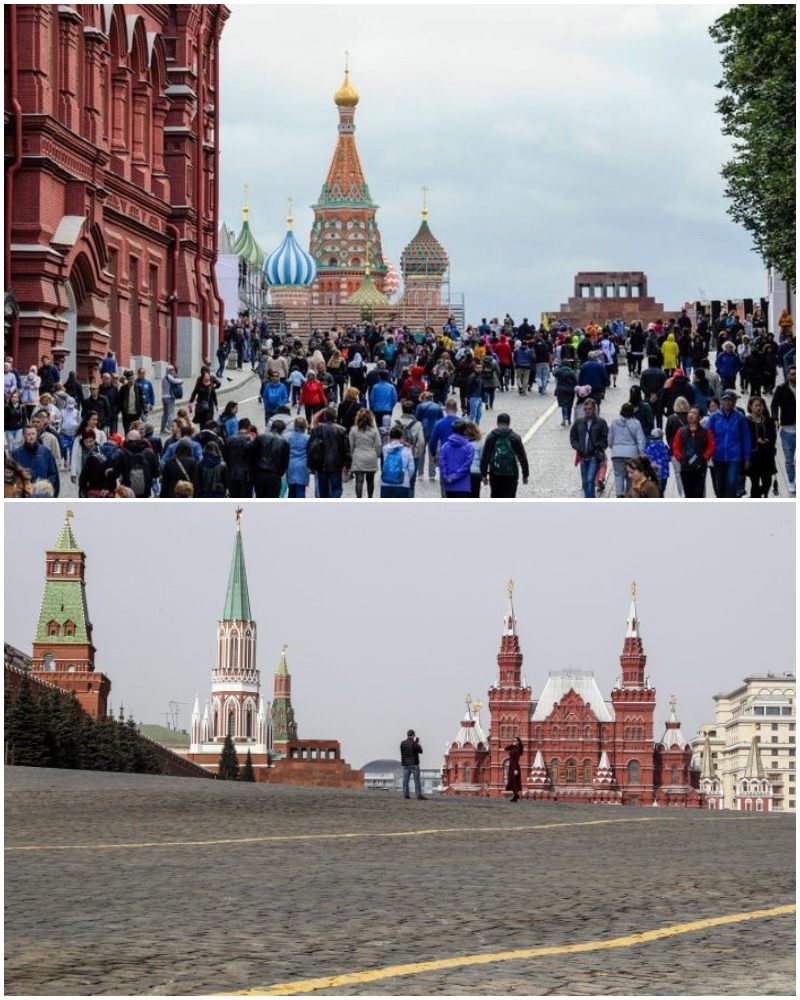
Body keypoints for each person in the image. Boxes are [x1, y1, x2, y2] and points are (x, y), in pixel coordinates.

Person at [707, 389, 752, 498]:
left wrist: (747, 457)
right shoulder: (714, 417)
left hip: (734, 456)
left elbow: (746, 438)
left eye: (730, 400)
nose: (727, 402)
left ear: (734, 402)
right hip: (718, 456)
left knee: (731, 482)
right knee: (720, 484)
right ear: (721, 402)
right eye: (725, 400)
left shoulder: (739, 417)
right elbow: (708, 436)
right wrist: (708, 454)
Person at [480, 412, 529, 497]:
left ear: (497, 422)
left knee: (495, 495)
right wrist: (525, 474)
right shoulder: (515, 437)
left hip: (495, 472)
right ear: (509, 423)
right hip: (511, 473)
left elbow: (485, 457)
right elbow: (522, 457)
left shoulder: (491, 437)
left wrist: (483, 475)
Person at [570, 398, 609, 498]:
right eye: (586, 409)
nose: (588, 411)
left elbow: (606, 438)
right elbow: (573, 437)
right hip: (583, 456)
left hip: (594, 456)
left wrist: (599, 446)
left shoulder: (601, 422)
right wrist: (578, 447)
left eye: (590, 409)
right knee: (585, 482)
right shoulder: (579, 422)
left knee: (590, 479)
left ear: (594, 409)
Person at [308, 407, 350, 498]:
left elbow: (310, 447)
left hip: (321, 463)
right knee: (337, 488)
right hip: (336, 464)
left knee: (323, 489)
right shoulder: (341, 430)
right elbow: (346, 449)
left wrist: (311, 464)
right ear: (335, 417)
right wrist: (347, 463)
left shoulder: (317, 429)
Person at [608, 402, 647, 498]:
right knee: (631, 476)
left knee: (618, 475)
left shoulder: (614, 422)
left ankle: (619, 494)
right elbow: (640, 440)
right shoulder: (636, 423)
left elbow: (610, 438)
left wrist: (613, 447)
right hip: (632, 453)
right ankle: (629, 495)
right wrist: (641, 452)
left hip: (617, 453)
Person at [11, 424, 59, 495]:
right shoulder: (16, 454)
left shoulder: (45, 452)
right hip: (24, 493)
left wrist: (46, 486)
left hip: (42, 492)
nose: (31, 437)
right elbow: (13, 475)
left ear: (36, 434)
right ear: (24, 436)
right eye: (28, 434)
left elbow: (53, 473)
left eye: (33, 434)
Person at [771, 364, 796, 494]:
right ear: (788, 375)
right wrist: (775, 418)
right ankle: (791, 481)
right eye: (792, 374)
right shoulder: (781, 389)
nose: (795, 376)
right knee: (789, 458)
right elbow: (774, 405)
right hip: (787, 429)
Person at [745, 396, 777, 498]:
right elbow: (744, 438)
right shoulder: (746, 421)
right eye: (756, 405)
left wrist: (768, 441)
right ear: (750, 406)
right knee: (755, 483)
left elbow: (773, 436)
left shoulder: (768, 421)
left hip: (767, 457)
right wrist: (756, 441)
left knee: (767, 482)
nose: (759, 407)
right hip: (753, 458)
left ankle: (757, 496)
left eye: (761, 405)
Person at [249, 419, 290, 498]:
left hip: (259, 472)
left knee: (260, 497)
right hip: (274, 475)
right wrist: (279, 473)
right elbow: (285, 463)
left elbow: (252, 454)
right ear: (282, 430)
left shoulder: (260, 438)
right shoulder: (284, 443)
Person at [348, 408, 383, 499]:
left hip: (358, 455)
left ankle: (359, 499)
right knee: (370, 480)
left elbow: (351, 445)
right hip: (371, 456)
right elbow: (378, 445)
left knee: (359, 481)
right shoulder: (374, 431)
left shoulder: (353, 430)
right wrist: (377, 454)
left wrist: (352, 454)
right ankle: (370, 498)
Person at [438, 420, 475, 497]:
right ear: (465, 431)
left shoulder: (445, 446)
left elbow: (442, 463)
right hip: (463, 485)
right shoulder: (469, 447)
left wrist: (446, 477)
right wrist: (454, 476)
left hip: (449, 485)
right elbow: (466, 466)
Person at [380, 424, 416, 498]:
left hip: (386, 482)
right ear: (401, 437)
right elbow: (411, 468)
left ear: (390, 436)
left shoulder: (385, 449)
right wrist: (406, 477)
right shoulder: (407, 449)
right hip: (403, 483)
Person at [645, 427, 672, 497]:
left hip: (651, 474)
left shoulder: (648, 448)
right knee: (660, 493)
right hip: (663, 474)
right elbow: (668, 458)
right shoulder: (663, 446)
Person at [399, 729, 426, 799]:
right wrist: (418, 744)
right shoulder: (414, 743)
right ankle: (418, 795)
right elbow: (421, 751)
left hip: (405, 764)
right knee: (416, 780)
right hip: (414, 764)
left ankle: (406, 795)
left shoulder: (402, 743)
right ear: (413, 735)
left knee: (405, 780)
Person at [554, 360, 578, 426]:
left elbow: (554, 374)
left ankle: (564, 418)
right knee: (569, 405)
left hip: (561, 391)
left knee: (564, 405)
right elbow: (576, 382)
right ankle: (569, 419)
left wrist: (557, 368)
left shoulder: (559, 371)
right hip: (570, 391)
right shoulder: (571, 372)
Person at [505, 736, 523, 802]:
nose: (514, 742)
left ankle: (515, 796)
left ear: (518, 742)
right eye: (513, 740)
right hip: (511, 767)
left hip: (515, 767)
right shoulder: (513, 748)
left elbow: (517, 760)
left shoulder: (518, 749)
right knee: (511, 781)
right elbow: (506, 748)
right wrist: (512, 745)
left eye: (515, 741)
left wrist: (516, 769)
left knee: (515, 782)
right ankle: (516, 795)